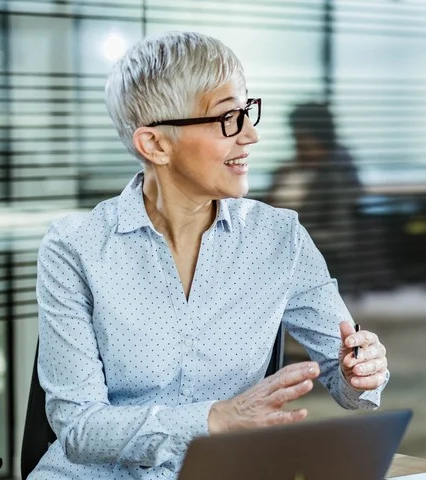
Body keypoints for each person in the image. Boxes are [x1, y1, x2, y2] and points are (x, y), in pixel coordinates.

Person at [30, 31, 390, 479]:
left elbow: (345, 374)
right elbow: (79, 429)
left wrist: (365, 371)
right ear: (155, 144)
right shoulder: (75, 248)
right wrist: (216, 419)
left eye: (247, 112)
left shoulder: (280, 237)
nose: (251, 135)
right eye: (227, 119)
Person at [266, 103, 368, 299]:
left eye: (303, 139)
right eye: (296, 138)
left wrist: (291, 238)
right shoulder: (289, 169)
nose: (298, 145)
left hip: (310, 250)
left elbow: (339, 233)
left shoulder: (334, 175)